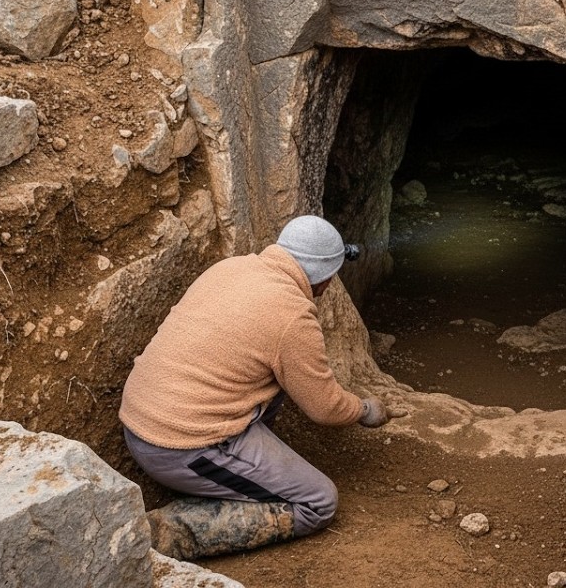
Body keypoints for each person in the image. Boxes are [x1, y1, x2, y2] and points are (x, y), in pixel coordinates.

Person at [119, 214, 393, 561]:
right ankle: (168, 531)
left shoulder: (230, 267)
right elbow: (324, 408)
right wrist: (365, 410)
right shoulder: (292, 317)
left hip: (144, 415)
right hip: (179, 447)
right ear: (324, 280)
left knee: (273, 381)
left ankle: (243, 471)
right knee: (318, 502)